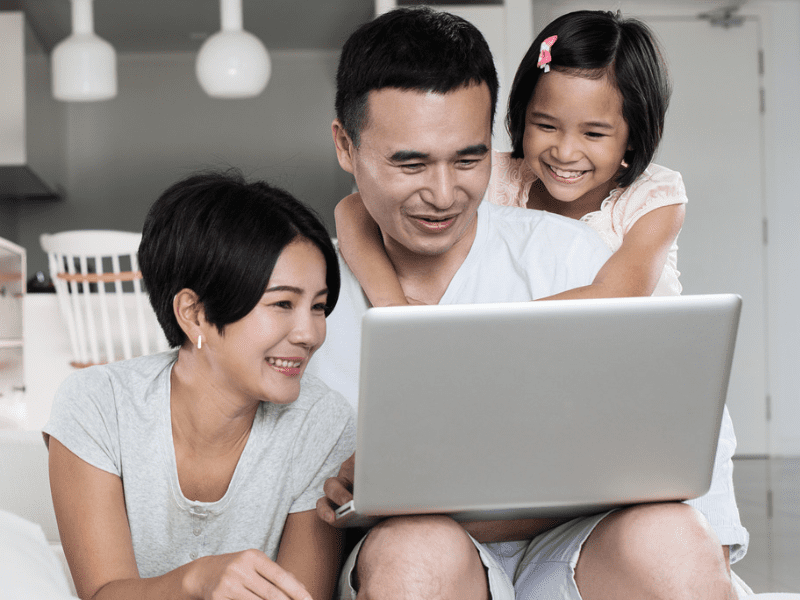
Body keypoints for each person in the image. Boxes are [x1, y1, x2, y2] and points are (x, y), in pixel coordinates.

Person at [306, 7, 747, 600]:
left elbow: (677, 420)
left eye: (468, 159)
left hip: (569, 550)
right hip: (415, 554)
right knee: (416, 551)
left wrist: (709, 547)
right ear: (345, 144)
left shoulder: (578, 253)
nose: (441, 194)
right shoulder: (300, 292)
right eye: (409, 163)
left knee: (674, 540)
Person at [43, 172, 356, 600]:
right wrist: (196, 581)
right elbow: (103, 593)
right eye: (282, 303)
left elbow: (299, 597)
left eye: (318, 307)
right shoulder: (97, 405)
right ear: (193, 313)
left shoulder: (324, 424)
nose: (310, 333)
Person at [334, 10, 686, 306]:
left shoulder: (652, 198)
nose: (564, 153)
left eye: (593, 134)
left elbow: (618, 296)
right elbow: (353, 210)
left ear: (633, 136)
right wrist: (395, 310)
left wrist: (492, 327)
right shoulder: (498, 172)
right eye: (546, 125)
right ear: (521, 114)